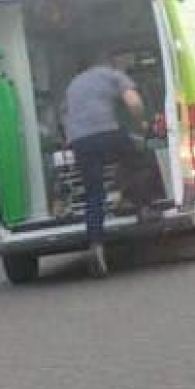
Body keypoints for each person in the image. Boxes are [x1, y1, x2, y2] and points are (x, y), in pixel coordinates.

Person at [61, 53, 147, 277]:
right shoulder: (113, 75)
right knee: (138, 160)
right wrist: (141, 124)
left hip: (80, 141)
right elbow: (134, 102)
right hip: (107, 133)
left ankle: (96, 245)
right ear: (107, 62)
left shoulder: (73, 84)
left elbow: (65, 115)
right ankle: (138, 204)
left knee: (94, 193)